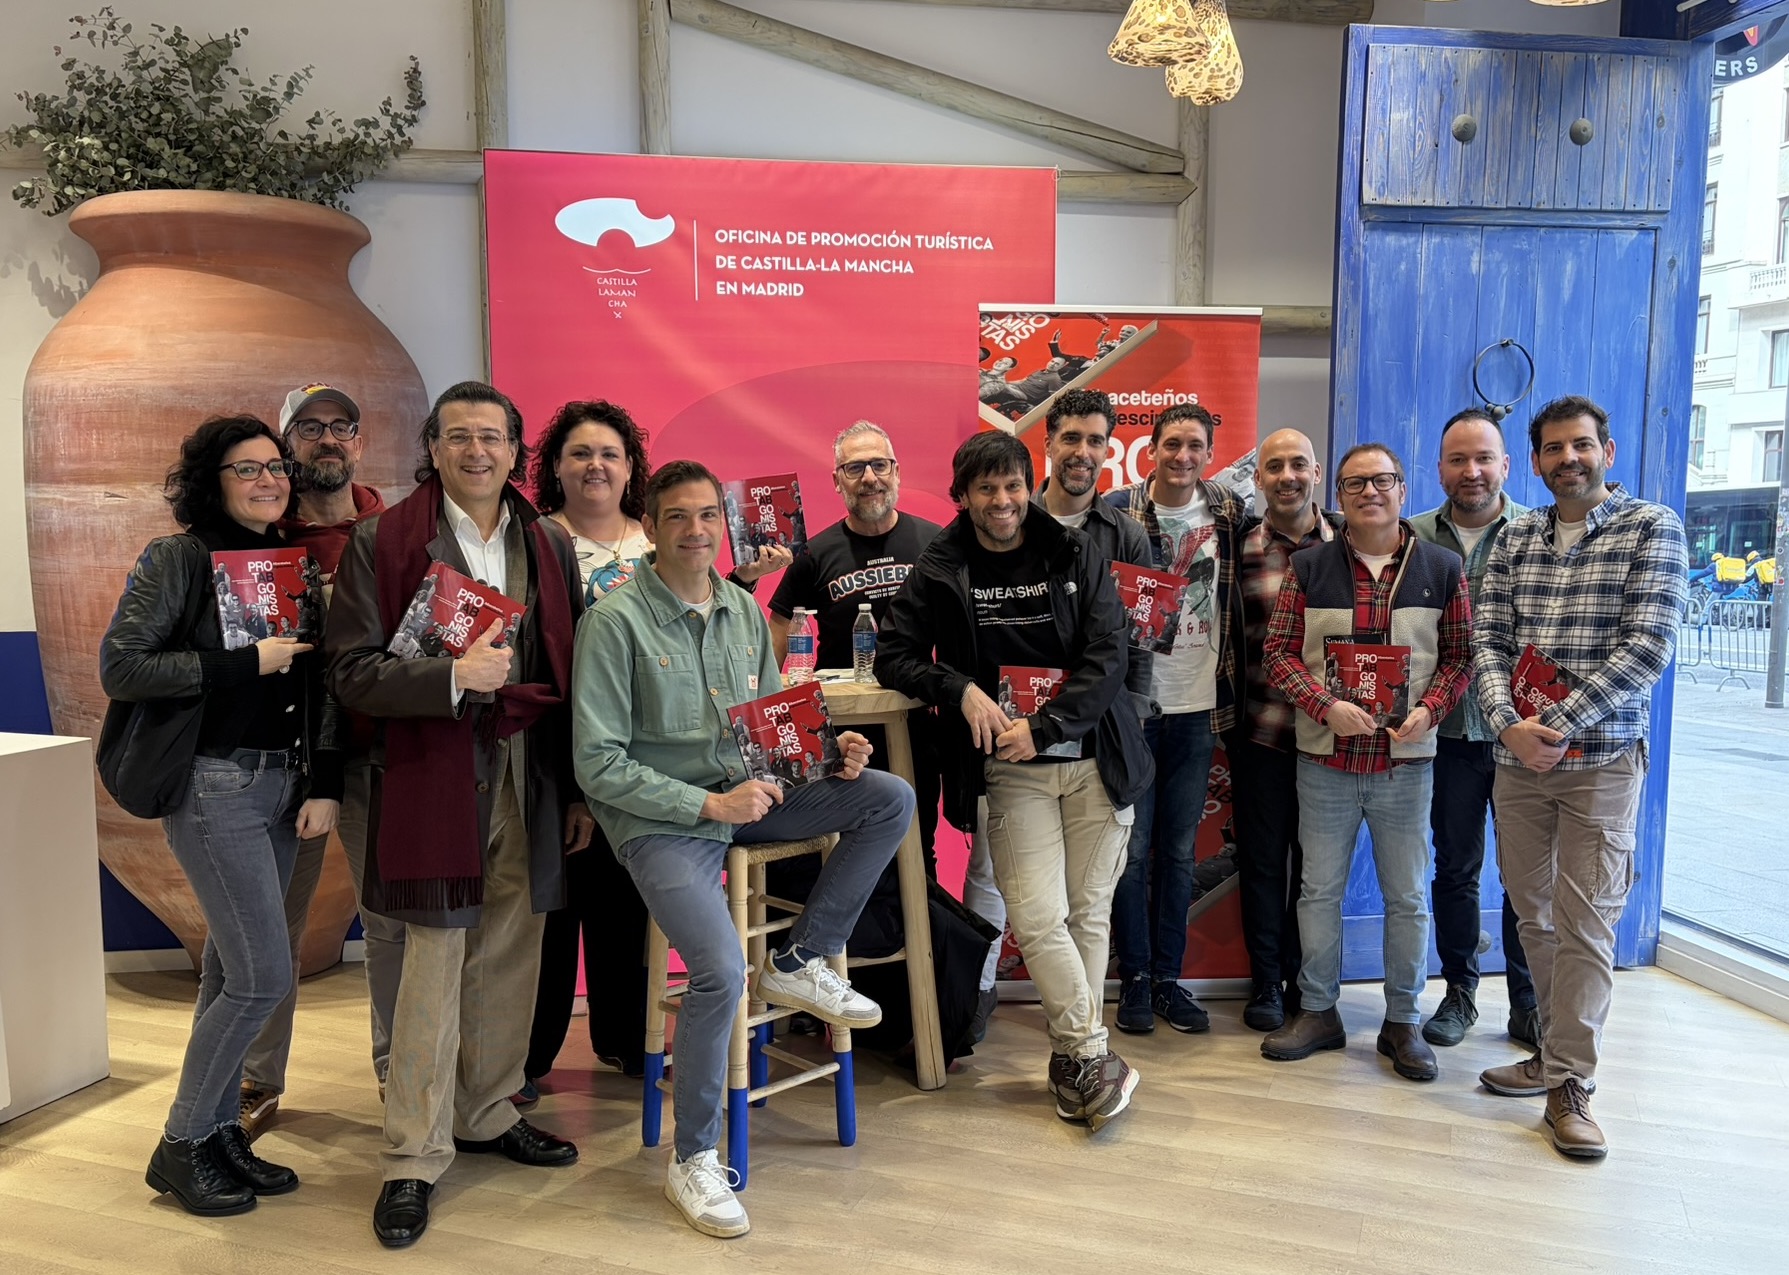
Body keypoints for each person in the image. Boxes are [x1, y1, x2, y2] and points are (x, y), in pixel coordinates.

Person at [573, 459, 913, 1239]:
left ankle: (800, 957)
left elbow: (770, 734)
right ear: (649, 527)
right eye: (678, 517)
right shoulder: (614, 621)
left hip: (745, 798)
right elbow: (598, 763)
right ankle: (693, 1158)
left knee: (885, 797)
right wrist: (707, 802)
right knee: (720, 969)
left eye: (706, 516)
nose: (696, 531)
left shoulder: (739, 609)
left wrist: (830, 756)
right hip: (662, 822)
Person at [327, 381, 590, 1249]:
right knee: (431, 963)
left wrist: (579, 791)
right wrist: (450, 679)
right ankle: (410, 1155)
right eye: (459, 437)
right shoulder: (382, 540)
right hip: (426, 773)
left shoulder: (548, 540)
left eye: (493, 437)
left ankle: (485, 1109)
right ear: (432, 449)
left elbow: (572, 670)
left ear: (517, 452)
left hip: (527, 769)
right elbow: (353, 672)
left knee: (510, 949)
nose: (477, 451)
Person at [877, 432, 1152, 1132]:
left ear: (1029, 485)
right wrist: (958, 686)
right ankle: (1091, 1050)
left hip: (1095, 759)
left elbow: (1108, 652)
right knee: (1034, 917)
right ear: (962, 495)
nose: (1002, 501)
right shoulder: (939, 564)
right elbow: (893, 655)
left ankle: (1072, 1061)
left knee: (1088, 915)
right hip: (1010, 768)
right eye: (986, 489)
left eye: (1012, 486)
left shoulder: (1073, 549)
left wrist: (1047, 723)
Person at [101, 415, 340, 1216]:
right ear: (213, 479)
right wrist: (245, 660)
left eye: (277, 467)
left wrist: (318, 780)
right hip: (215, 785)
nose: (270, 480)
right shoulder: (180, 557)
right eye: (248, 469)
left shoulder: (288, 561)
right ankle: (179, 1141)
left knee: (229, 971)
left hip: (280, 784)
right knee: (265, 975)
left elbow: (314, 685)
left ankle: (214, 1133)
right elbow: (124, 664)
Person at [1473, 396, 1687, 1160]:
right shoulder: (1514, 537)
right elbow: (1486, 639)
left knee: (1587, 921)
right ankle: (1548, 1049)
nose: (1568, 458)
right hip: (1516, 762)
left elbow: (1646, 650)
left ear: (1607, 450)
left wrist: (1554, 724)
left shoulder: (1650, 528)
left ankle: (1572, 1083)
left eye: (1581, 445)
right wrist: (1506, 723)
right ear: (1533, 460)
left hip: (1598, 764)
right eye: (1553, 448)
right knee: (1533, 916)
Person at [1260, 442, 1472, 1083]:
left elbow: (1461, 657)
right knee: (1318, 891)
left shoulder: (1442, 566)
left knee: (1406, 897)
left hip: (1406, 762)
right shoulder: (1309, 566)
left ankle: (1403, 1021)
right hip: (1324, 759)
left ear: (1403, 488)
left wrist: (1430, 710)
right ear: (1340, 494)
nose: (1370, 492)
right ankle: (1319, 1011)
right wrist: (1323, 704)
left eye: (1382, 481)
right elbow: (1279, 654)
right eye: (1356, 483)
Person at [233, 383, 393, 1141]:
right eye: (310, 427)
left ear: (359, 441)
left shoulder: (394, 526)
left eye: (341, 427)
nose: (326, 439)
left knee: (391, 922)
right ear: (287, 441)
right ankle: (257, 1078)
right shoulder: (261, 534)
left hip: (380, 752)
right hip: (289, 761)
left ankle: (403, 1072)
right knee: (273, 929)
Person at [1104, 403, 1250, 1035]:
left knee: (1182, 853)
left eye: (1195, 445)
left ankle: (1169, 979)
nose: (1182, 456)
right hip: (1132, 708)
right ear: (1151, 449)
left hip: (1200, 708)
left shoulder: (1230, 511)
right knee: (1130, 854)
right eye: (1171, 444)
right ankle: (1133, 978)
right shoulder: (1114, 510)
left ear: (1209, 454)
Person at [1022, 388, 1154, 1040]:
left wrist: (1132, 720)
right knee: (1035, 907)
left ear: (1108, 449)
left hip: (1103, 743)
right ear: (1047, 443)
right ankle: (1071, 1033)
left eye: (1095, 440)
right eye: (1071, 437)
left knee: (1090, 908)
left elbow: (1145, 641)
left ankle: (1079, 1042)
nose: (1082, 452)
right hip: (1025, 740)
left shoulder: (1126, 533)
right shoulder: (1011, 522)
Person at [1409, 409, 1537, 1051]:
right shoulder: (1409, 537)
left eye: (1483, 458)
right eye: (1458, 459)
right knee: (1455, 869)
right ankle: (1459, 993)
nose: (1472, 470)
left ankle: (1527, 1001)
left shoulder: (1539, 535)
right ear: (1440, 469)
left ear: (1507, 466)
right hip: (1446, 735)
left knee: (1525, 875)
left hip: (1523, 734)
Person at [1233, 428, 1341, 1032]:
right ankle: (1266, 982)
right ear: (1258, 479)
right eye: (1274, 467)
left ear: (1316, 472)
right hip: (1263, 734)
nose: (1286, 476)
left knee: (1319, 872)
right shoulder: (1241, 547)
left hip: (1333, 740)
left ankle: (1311, 985)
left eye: (1298, 464)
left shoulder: (1350, 543)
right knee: (1264, 864)